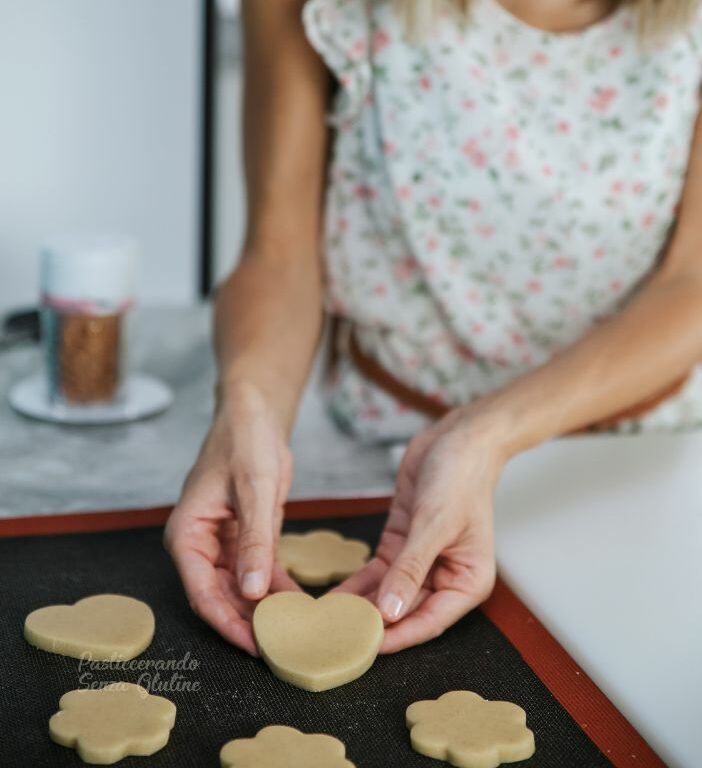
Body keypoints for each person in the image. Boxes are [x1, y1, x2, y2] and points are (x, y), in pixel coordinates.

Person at [164, 0, 702, 656]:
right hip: (384, 458)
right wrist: (245, 403)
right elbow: (278, 257)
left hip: (629, 471)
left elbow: (691, 283)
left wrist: (486, 436)